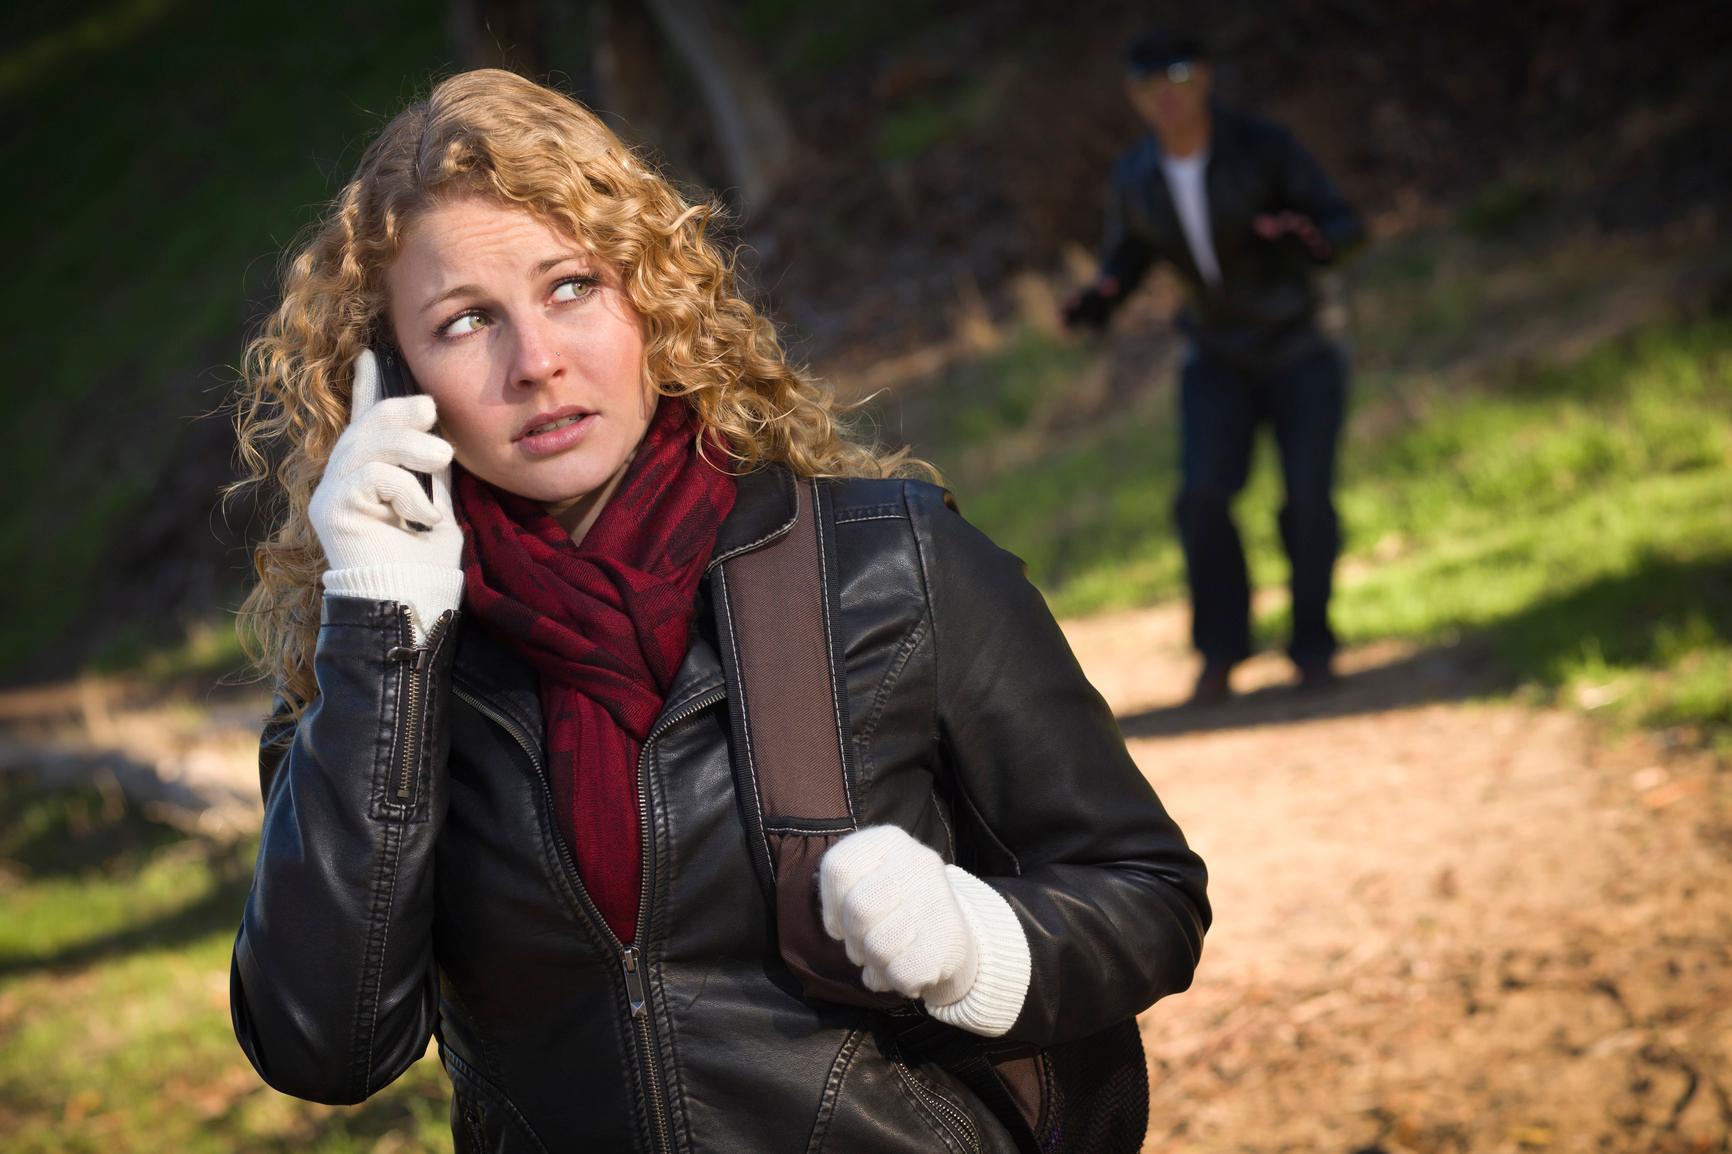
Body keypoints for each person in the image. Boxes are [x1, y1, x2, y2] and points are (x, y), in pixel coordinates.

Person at [227, 69, 1209, 1152]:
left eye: (570, 286)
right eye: (465, 321)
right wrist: (380, 634)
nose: (536, 360)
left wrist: (980, 946)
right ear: (392, 378)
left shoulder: (893, 562)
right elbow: (325, 1045)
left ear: (650, 294)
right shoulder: (375, 660)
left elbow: (1148, 896)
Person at [1064, 32, 1365, 703]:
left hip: (1300, 348)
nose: (1164, 95)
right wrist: (1096, 301)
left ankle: (1313, 647)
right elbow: (1126, 260)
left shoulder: (1264, 146)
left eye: (1175, 76)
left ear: (1203, 78)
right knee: (1201, 499)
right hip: (1217, 356)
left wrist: (1309, 239)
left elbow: (1344, 224)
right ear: (1134, 97)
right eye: (1147, 84)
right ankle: (1221, 653)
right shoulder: (1136, 176)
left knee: (1308, 501)